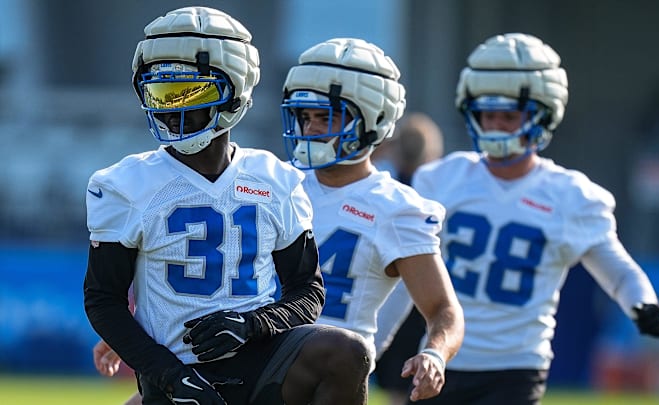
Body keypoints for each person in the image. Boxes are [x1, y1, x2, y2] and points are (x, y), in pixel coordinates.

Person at [83, 7, 371, 405]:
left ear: (234, 91)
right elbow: (103, 299)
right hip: (175, 370)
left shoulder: (275, 178)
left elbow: (307, 289)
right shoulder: (124, 184)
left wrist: (250, 325)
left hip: (262, 360)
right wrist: (170, 377)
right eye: (160, 93)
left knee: (348, 352)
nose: (171, 109)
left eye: (187, 92)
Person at [408, 33, 659, 404]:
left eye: (509, 115)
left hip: (516, 366)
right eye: (488, 114)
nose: (497, 125)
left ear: (541, 114)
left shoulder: (570, 196)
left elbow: (617, 270)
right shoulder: (440, 179)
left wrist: (642, 304)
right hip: (441, 355)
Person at [280, 37, 465, 403]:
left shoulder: (396, 208)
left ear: (373, 119)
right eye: (306, 117)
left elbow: (444, 309)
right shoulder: (274, 183)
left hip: (329, 384)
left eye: (327, 117)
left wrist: (435, 353)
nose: (313, 129)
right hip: (261, 368)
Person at [369, 113, 446, 405]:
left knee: (399, 380)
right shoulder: (428, 188)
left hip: (394, 287)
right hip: (421, 284)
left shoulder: (387, 186)